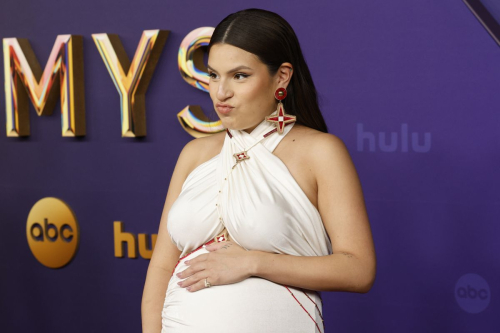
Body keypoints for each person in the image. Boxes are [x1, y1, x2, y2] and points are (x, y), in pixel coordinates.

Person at [141, 8, 376, 333]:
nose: (221, 92)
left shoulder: (320, 152)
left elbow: (358, 269)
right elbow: (162, 266)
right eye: (213, 75)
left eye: (239, 76)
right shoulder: (193, 154)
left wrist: (253, 262)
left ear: (281, 76)